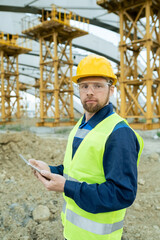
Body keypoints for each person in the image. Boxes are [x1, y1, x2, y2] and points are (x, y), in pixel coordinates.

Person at [29, 54, 144, 240]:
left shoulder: (119, 133)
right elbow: (77, 170)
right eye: (84, 86)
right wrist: (49, 170)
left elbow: (122, 194)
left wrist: (67, 187)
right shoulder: (81, 125)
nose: (90, 91)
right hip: (73, 233)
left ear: (111, 90)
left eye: (98, 86)